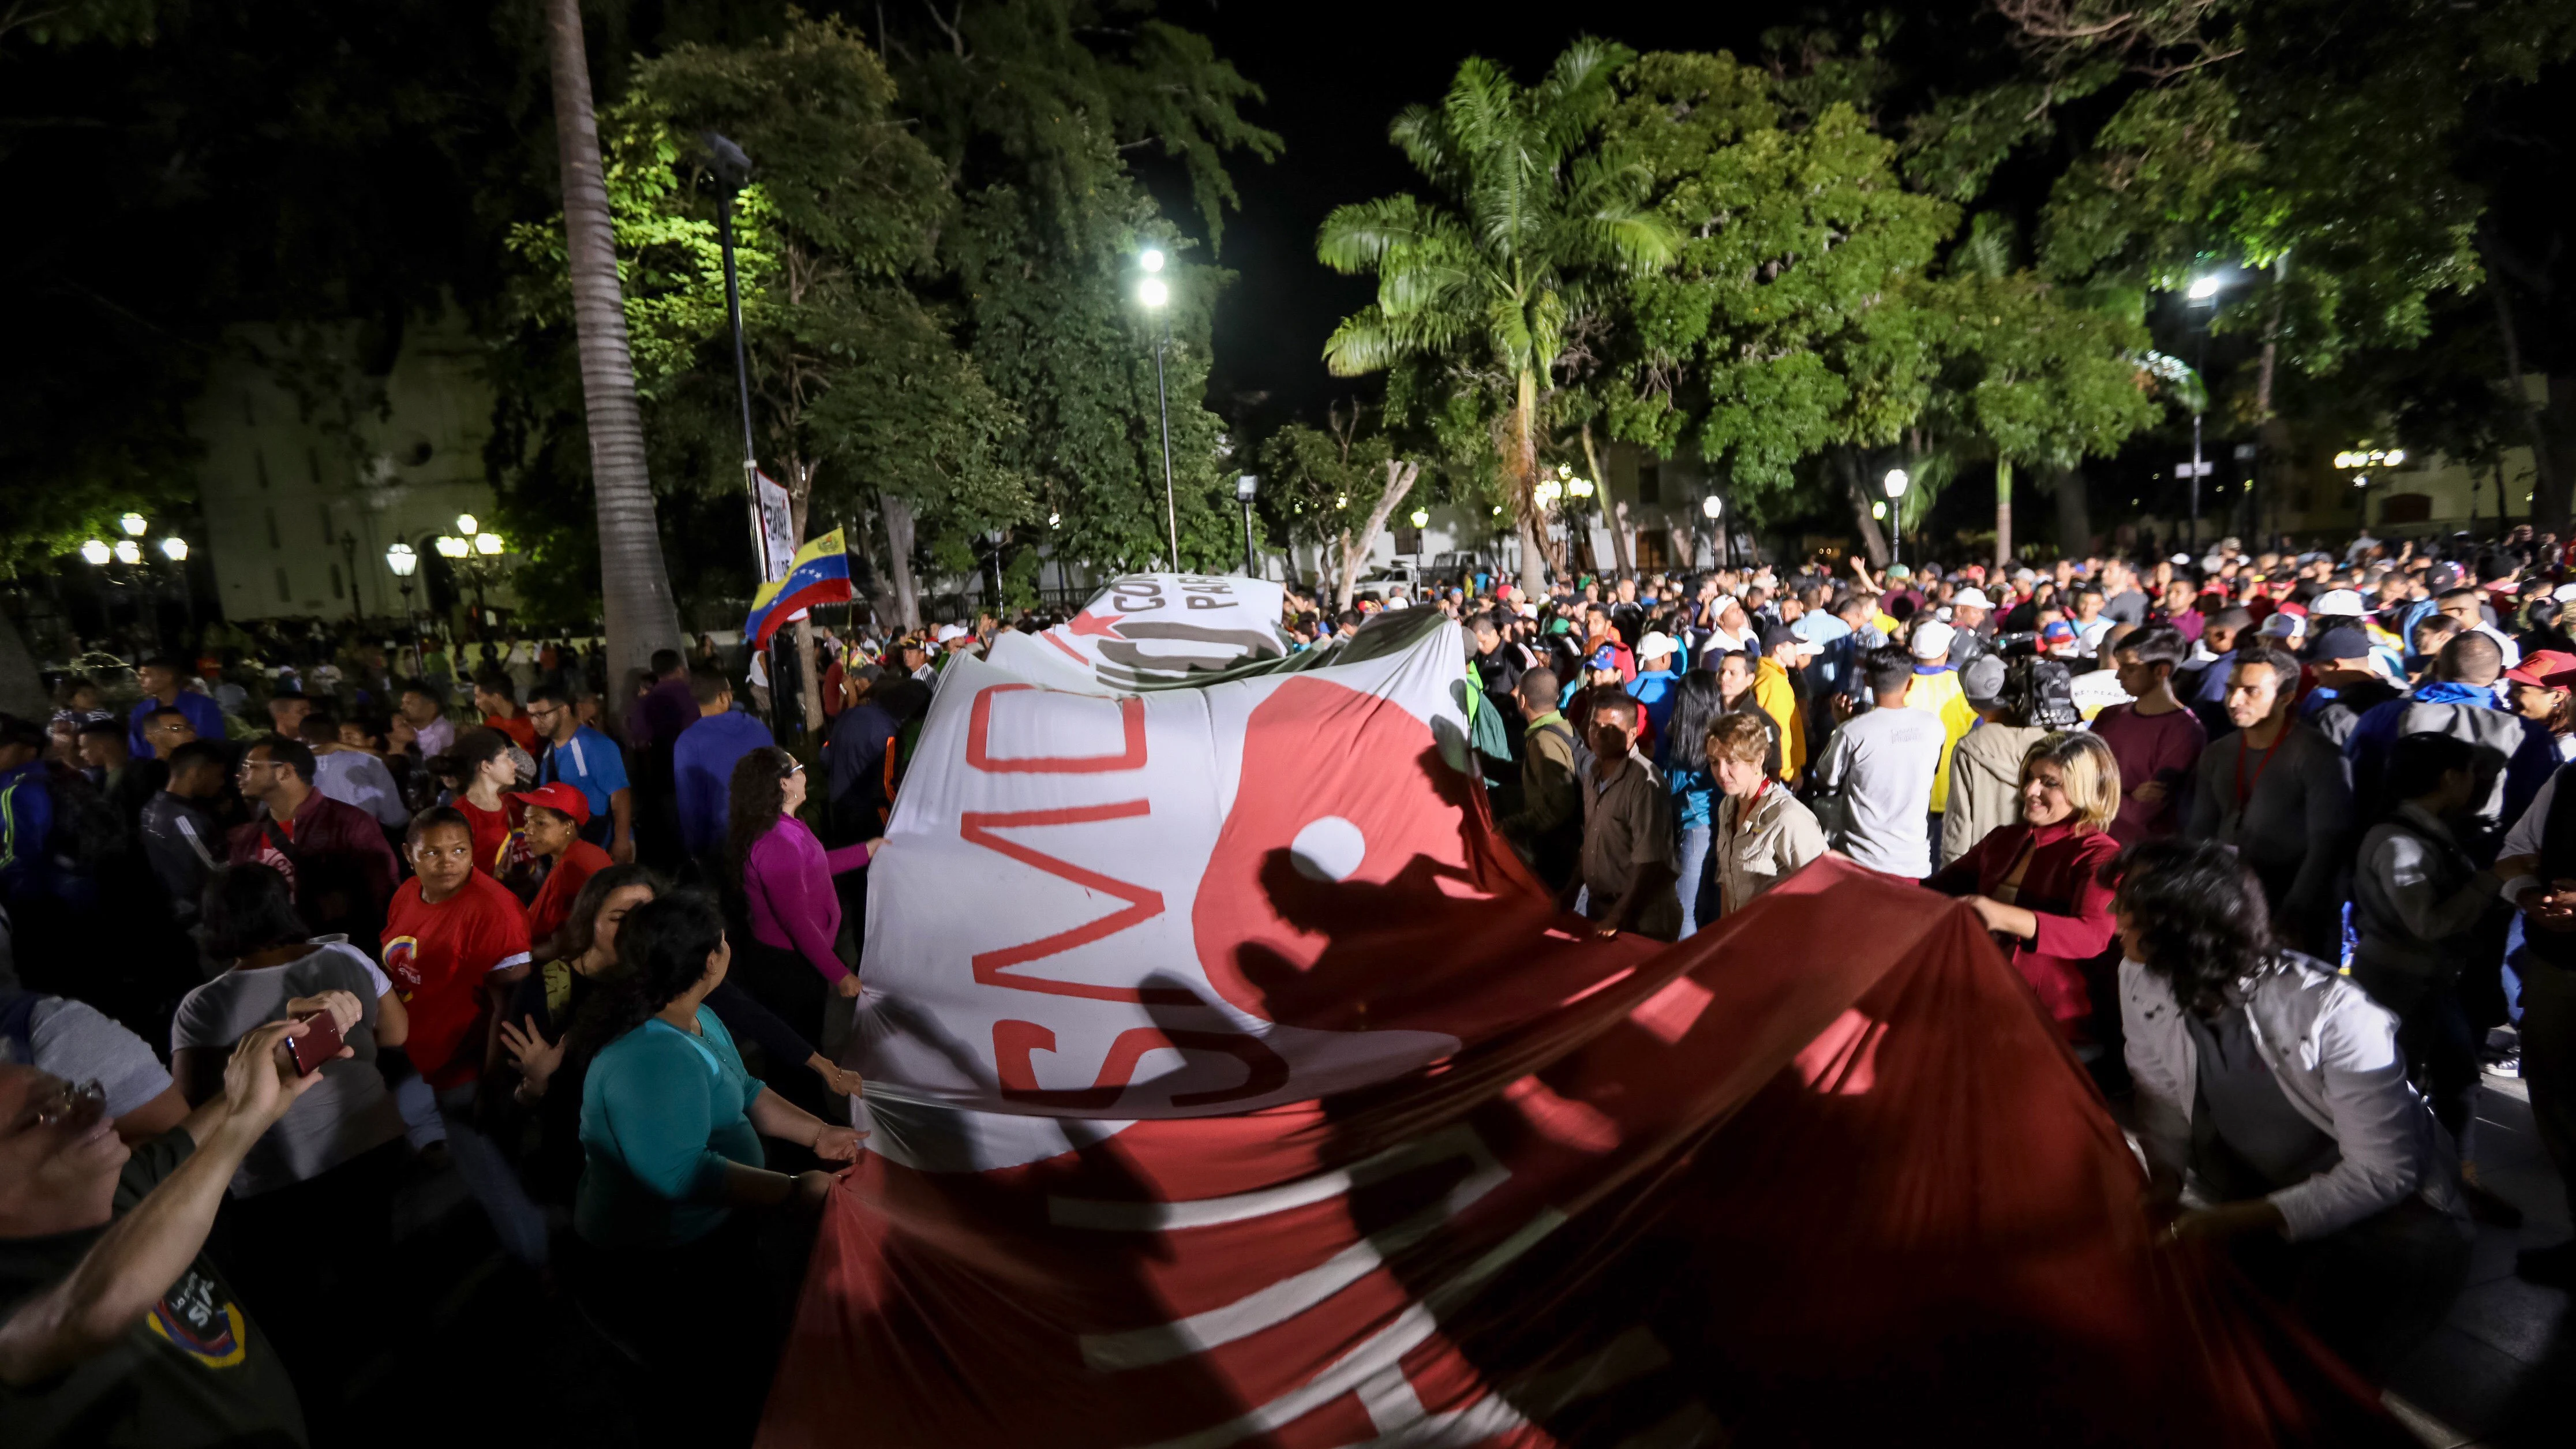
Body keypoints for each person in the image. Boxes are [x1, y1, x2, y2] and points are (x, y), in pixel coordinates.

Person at [2116, 838, 2470, 1377]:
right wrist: (2163, 1181)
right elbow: (2159, 1088)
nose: (2116, 922)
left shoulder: (2332, 1011)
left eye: (2131, 910)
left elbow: (2385, 1171)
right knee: (2247, 1364)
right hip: (2263, 1203)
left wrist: (2231, 1221)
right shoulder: (2140, 974)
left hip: (2391, 1231)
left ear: (2185, 931)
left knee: (2324, 1381)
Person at [564, 892, 856, 1439]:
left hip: (710, 1240)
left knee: (749, 1360)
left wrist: (819, 1133)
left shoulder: (695, 1015)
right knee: (707, 1394)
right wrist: (795, 1190)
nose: (728, 947)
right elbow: (681, 1175)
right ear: (708, 962)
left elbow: (743, 1089)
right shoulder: (648, 1057)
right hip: (658, 1268)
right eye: (722, 940)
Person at [0, 1020, 343, 1446]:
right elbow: (90, 1311)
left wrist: (287, 1055)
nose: (92, 1107)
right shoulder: (13, 1280)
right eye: (41, 1116)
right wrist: (246, 1120)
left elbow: (212, 1123)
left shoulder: (119, 1191)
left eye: (73, 1091)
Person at [380, 808, 543, 1265]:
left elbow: (508, 1006)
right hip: (424, 1057)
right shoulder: (407, 894)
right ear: (409, 856)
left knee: (490, 1170)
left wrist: (491, 1085)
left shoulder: (494, 910)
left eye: (459, 850)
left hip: (469, 1066)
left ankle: (535, 1260)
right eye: (432, 851)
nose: (448, 861)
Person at [2349, 733, 2498, 1146]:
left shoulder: (2424, 830)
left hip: (2428, 981)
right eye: (2472, 773)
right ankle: (2401, 1185)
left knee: (2458, 1081)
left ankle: (2457, 1178)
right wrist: (2489, 882)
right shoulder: (2400, 842)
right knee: (2397, 1086)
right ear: (2451, 778)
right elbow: (2427, 923)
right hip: (2399, 983)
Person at [1924, 732, 2124, 1040]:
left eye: (2049, 782)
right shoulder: (2005, 838)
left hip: (2048, 1021)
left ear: (2086, 789)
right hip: (1979, 997)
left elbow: (2093, 936)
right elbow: (1933, 889)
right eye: (2030, 778)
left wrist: (2000, 915)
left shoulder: (2100, 854)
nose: (2031, 790)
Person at [2185, 645, 2356, 954]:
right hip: (2229, 903)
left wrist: (2292, 915)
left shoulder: (2319, 756)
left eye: (2251, 691)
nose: (2234, 701)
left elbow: (2327, 847)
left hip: (2295, 912)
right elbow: (2200, 832)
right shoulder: (2217, 753)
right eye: (2231, 689)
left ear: (2286, 697)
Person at [728, 748, 880, 1047]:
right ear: (784, 783)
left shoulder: (786, 827)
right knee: (800, 1053)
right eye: (799, 768)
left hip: (798, 958)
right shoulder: (778, 841)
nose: (805, 774)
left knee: (803, 1045)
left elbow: (814, 867)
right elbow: (795, 920)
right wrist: (839, 974)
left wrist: (867, 851)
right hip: (789, 968)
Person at [224, 735, 400, 948]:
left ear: (284, 772)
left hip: (340, 947)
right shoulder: (246, 837)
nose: (240, 774)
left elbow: (384, 890)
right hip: (280, 953)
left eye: (250, 767)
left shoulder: (349, 822)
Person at [1811, 646, 1946, 879]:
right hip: (1914, 862)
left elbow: (1826, 778)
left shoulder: (1852, 731)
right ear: (1910, 683)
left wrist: (1841, 726)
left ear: (1867, 680)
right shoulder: (1933, 726)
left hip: (1863, 862)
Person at [1565, 694, 1680, 941]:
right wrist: (1571, 890)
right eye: (1595, 725)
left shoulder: (1646, 783)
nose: (1599, 734)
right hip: (1601, 909)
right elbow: (1593, 840)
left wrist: (1617, 916)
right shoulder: (1593, 774)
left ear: (1632, 735)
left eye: (1611, 728)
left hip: (1640, 919)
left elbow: (1648, 862)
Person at [2091, 623, 2207, 847]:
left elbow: (2141, 812)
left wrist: (2094, 792)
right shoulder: (2110, 716)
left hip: (2139, 853)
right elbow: (2075, 777)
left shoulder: (2185, 732)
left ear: (2161, 671)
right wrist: (2127, 796)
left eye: (2130, 668)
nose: (2118, 676)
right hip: (2092, 839)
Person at [1938, 656, 2057, 869]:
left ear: (1972, 704)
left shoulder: (1970, 747)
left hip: (1987, 865)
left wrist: (1952, 870)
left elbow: (1960, 820)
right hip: (2041, 863)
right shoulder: (2052, 739)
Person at [1706, 710, 1825, 919]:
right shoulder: (1727, 806)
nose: (1721, 773)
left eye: (1732, 761)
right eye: (1715, 762)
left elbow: (1824, 891)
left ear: (1758, 759)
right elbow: (1727, 880)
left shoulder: (1788, 817)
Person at [675, 667, 775, 865]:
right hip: (767, 830)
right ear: (723, 697)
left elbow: (689, 802)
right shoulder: (758, 729)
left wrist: (695, 848)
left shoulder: (688, 741)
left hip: (722, 840)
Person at [1496, 669, 1582, 892]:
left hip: (1555, 851)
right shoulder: (1563, 727)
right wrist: (1486, 764)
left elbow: (1560, 804)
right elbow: (1531, 772)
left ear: (1523, 700)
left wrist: (1514, 826)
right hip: (1565, 845)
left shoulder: (1544, 742)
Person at [528, 683, 633, 862]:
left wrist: (622, 841)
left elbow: (620, 795)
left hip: (602, 843)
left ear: (564, 710)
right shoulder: (549, 752)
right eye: (532, 715)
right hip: (573, 849)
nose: (536, 722)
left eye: (543, 714)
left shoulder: (596, 745)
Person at [1658, 671, 1725, 935]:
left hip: (1695, 829)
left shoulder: (1690, 747)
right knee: (1708, 904)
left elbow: (1671, 786)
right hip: (1717, 825)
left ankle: (1683, 968)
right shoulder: (1721, 735)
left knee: (1682, 909)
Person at [138, 740, 229, 928]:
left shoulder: (151, 807)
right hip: (197, 916)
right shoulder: (183, 818)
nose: (222, 783)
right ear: (197, 773)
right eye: (219, 775)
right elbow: (213, 868)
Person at [516, 781, 612, 956]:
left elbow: (564, 946)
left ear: (568, 826)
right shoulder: (582, 853)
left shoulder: (573, 867)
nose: (527, 830)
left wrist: (514, 960)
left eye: (540, 823)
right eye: (527, 821)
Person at [442, 727, 539, 898]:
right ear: (486, 766)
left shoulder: (514, 804)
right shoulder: (458, 818)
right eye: (506, 758)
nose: (514, 764)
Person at [298, 713, 409, 833]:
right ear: (338, 735)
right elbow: (393, 818)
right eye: (344, 737)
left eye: (350, 737)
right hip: (362, 838)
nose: (346, 742)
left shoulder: (289, 764)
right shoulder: (368, 761)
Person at [122, 655, 227, 761]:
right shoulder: (141, 711)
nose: (141, 680)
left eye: (147, 675)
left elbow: (214, 747)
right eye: (140, 676)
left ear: (167, 677)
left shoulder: (203, 707)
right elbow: (136, 752)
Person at [471, 671, 538, 754]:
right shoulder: (491, 724)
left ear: (496, 697)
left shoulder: (533, 722)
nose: (476, 703)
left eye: (478, 697)